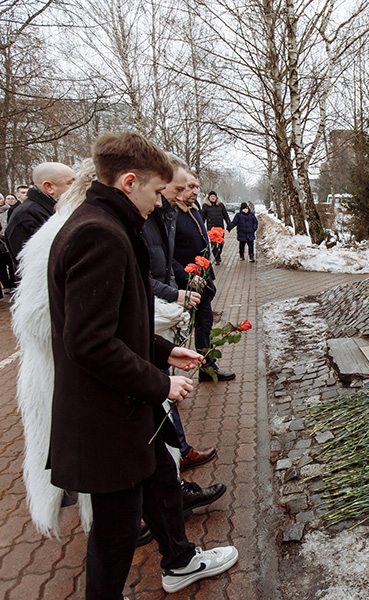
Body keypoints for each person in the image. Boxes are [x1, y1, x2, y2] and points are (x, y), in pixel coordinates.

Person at [47, 132, 237, 598]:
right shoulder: (99, 233)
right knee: (115, 531)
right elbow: (89, 343)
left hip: (126, 408)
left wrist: (162, 351)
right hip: (107, 415)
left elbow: (117, 322)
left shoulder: (106, 223)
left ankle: (179, 560)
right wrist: (159, 383)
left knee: (160, 479)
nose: (159, 203)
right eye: (156, 191)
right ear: (129, 182)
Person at [142, 155, 220, 469]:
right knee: (159, 390)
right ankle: (177, 457)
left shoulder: (174, 212)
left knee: (164, 387)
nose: (172, 197)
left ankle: (178, 454)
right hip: (161, 303)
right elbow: (147, 272)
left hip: (172, 298)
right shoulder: (144, 219)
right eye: (178, 188)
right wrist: (176, 290)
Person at [173, 172, 235, 382]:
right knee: (178, 332)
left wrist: (211, 276)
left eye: (197, 187)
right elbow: (167, 256)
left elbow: (204, 247)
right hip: (181, 287)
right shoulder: (173, 214)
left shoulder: (194, 210)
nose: (195, 191)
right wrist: (185, 276)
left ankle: (207, 368)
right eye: (190, 186)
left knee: (205, 326)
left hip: (202, 284)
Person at [6, 163, 75, 263]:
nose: (76, 187)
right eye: (70, 183)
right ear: (49, 187)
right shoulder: (26, 215)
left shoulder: (53, 209)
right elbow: (33, 263)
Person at [200, 191, 230, 265]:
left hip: (220, 228)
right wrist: (200, 226)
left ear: (216, 197)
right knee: (213, 244)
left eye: (214, 196)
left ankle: (218, 254)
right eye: (211, 196)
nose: (213, 198)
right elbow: (202, 217)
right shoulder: (205, 206)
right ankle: (217, 258)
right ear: (209, 198)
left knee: (221, 243)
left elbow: (225, 215)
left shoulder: (221, 205)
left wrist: (229, 223)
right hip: (211, 228)